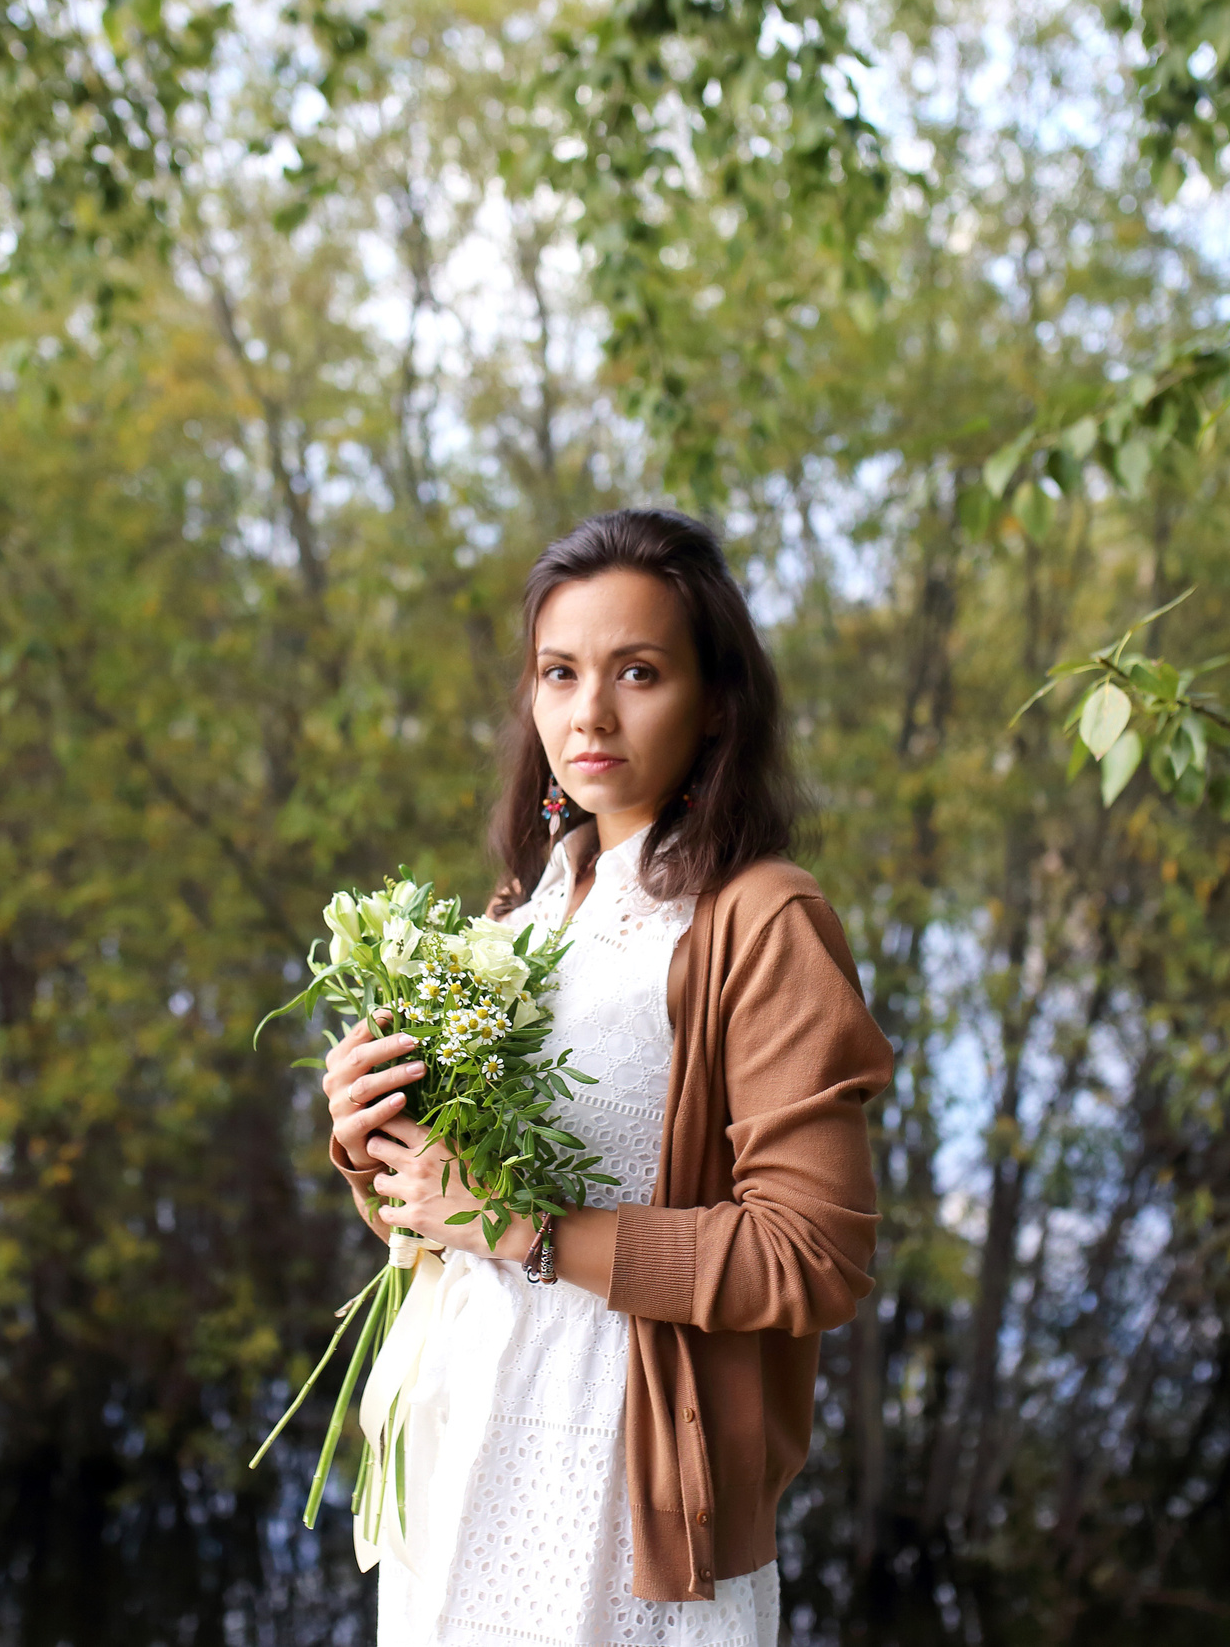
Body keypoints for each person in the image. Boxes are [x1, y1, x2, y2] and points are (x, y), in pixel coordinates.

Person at [318, 507, 892, 1647]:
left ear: (715, 700)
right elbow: (437, 1223)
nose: (589, 712)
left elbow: (814, 1255)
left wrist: (532, 1230)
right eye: (559, 672)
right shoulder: (517, 916)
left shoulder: (760, 921)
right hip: (459, 1439)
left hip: (620, 1472)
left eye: (638, 672)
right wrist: (366, 1135)